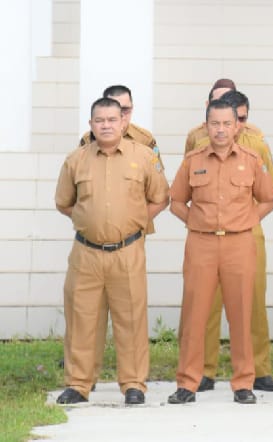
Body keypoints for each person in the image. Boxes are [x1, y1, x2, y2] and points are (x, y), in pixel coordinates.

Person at [55, 97, 170, 405]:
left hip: (128, 251)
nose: (105, 125)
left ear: (124, 123)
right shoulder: (75, 160)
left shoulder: (144, 157)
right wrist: (89, 221)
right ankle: (78, 384)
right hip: (86, 253)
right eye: (99, 120)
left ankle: (133, 384)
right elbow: (64, 202)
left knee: (131, 318)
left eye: (111, 119)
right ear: (91, 124)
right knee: (81, 318)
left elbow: (160, 197)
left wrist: (132, 223)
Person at [168, 99, 273, 405]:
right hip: (201, 243)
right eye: (214, 123)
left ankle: (243, 382)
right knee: (195, 314)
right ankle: (188, 382)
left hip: (239, 243)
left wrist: (246, 221)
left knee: (242, 313)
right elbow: (176, 200)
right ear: (205, 126)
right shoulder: (192, 160)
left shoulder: (252, 159)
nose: (221, 130)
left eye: (227, 123)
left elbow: (267, 199)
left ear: (237, 126)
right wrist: (195, 222)